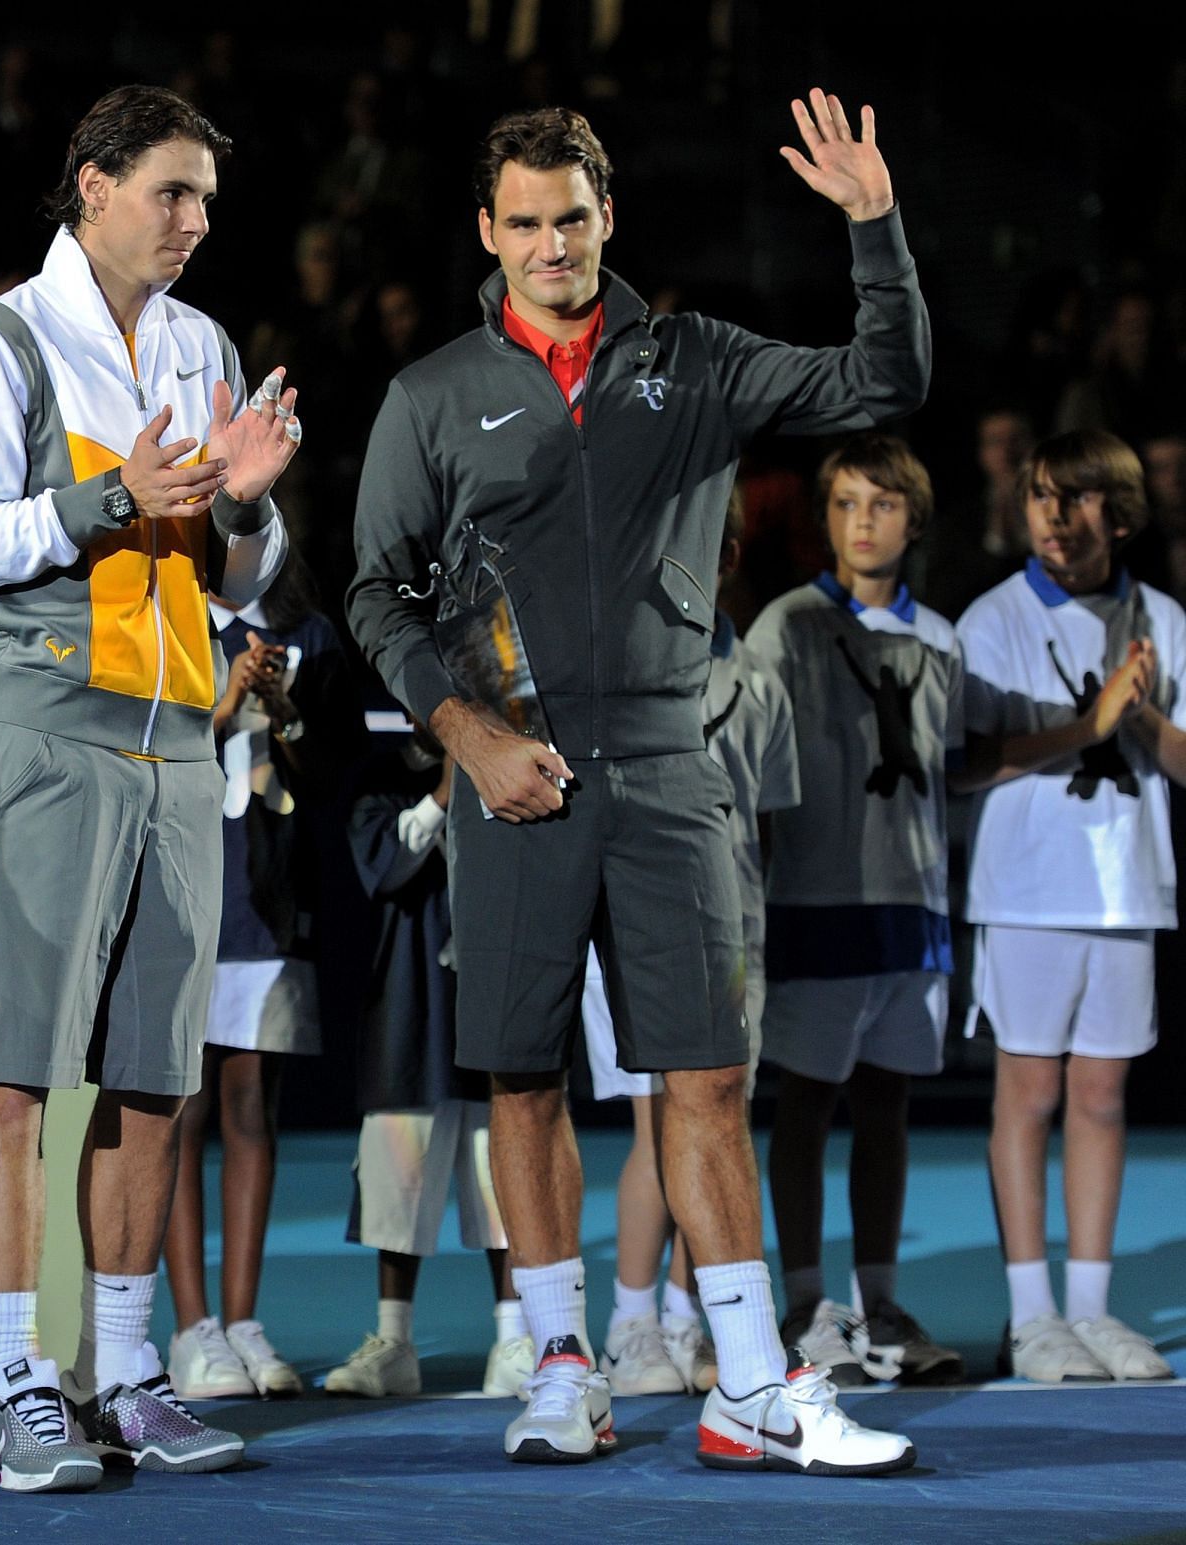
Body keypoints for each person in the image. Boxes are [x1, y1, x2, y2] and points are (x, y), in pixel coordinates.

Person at [347, 92, 924, 1475]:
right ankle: (561, 1367)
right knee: (524, 1082)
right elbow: (376, 591)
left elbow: (882, 383)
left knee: (708, 1081)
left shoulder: (700, 361)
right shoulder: (431, 394)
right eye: (527, 222)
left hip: (672, 768)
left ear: (611, 219)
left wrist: (874, 226)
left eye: (575, 218)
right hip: (518, 774)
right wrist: (465, 736)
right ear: (488, 231)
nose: (553, 244)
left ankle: (749, 1389)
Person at [0, 85, 297, 1493]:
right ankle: (18, 1390)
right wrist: (105, 498)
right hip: (44, 733)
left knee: (153, 1079)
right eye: (172, 193)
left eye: (206, 198)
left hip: (181, 746)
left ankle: (126, 1374)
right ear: (94, 186)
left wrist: (246, 505)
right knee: (13, 1071)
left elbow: (243, 571)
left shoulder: (203, 346)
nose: (196, 222)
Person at [951, 429, 1181, 1384]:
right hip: (1028, 886)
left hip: (1128, 884)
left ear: (1119, 515)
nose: (1053, 513)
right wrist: (1085, 727)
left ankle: (1089, 1308)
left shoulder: (1162, 618)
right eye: (1042, 495)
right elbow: (965, 765)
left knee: (1100, 1095)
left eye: (1077, 498)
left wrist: (1145, 719)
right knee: (1031, 1092)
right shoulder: (993, 616)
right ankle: (1032, 1313)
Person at [746, 434, 965, 1387]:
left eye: (880, 504)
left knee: (889, 1103)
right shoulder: (784, 625)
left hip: (912, 904)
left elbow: (957, 762)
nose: (860, 522)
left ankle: (881, 1302)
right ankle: (805, 1299)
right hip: (814, 898)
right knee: (806, 1104)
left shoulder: (944, 637)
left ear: (912, 519)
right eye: (843, 504)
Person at [583, 495, 800, 1400]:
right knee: (653, 1123)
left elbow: (771, 828)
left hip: (730, 928)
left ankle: (687, 1314)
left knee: (714, 1117)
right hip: (629, 919)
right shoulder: (608, 667)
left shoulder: (760, 683)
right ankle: (632, 1322)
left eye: (702, 552)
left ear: (731, 557)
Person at [163, 559, 356, 1400]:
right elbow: (154, 754)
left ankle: (243, 1321)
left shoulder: (308, 634)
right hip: (184, 896)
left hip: (268, 899)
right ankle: (192, 1328)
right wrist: (228, 701)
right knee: (182, 1111)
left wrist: (287, 716)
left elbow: (331, 779)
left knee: (251, 1107)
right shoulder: (162, 616)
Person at [326, 728, 533, 1401]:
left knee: (500, 1171)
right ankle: (394, 1340)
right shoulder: (380, 776)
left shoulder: (511, 768)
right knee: (396, 1175)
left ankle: (514, 1338)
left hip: (492, 993)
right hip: (408, 1007)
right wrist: (447, 787)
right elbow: (384, 866)